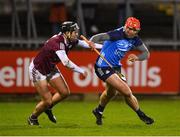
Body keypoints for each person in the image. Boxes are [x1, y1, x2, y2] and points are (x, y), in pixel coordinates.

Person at [28, 21, 102, 125]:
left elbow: (84, 43)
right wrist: (81, 71)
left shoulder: (69, 39)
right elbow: (66, 63)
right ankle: (33, 118)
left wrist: (102, 47)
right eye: (74, 32)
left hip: (50, 67)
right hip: (38, 70)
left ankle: (48, 108)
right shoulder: (57, 42)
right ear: (67, 33)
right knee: (47, 100)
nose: (76, 34)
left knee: (64, 92)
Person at [90, 17, 154, 125]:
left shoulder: (135, 39)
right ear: (125, 26)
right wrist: (91, 42)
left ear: (137, 31)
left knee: (111, 93)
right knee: (126, 91)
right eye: (129, 28)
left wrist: (137, 58)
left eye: (134, 30)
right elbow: (99, 37)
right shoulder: (117, 34)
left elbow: (146, 53)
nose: (131, 31)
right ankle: (141, 114)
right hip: (103, 66)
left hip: (115, 67)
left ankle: (98, 110)